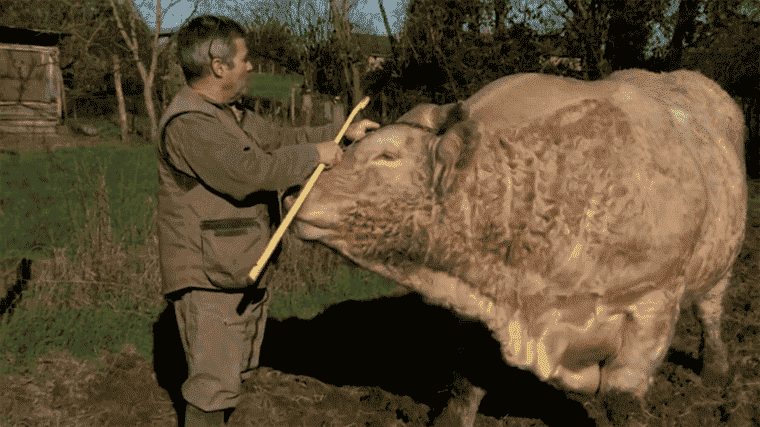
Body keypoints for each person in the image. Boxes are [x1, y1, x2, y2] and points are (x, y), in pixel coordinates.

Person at [156, 15, 379, 427]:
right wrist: (316, 156)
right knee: (212, 388)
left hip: (231, 266)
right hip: (207, 277)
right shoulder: (190, 123)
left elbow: (279, 140)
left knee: (228, 378)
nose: (251, 66)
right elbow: (249, 174)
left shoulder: (227, 114)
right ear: (219, 66)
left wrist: (340, 134)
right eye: (245, 58)